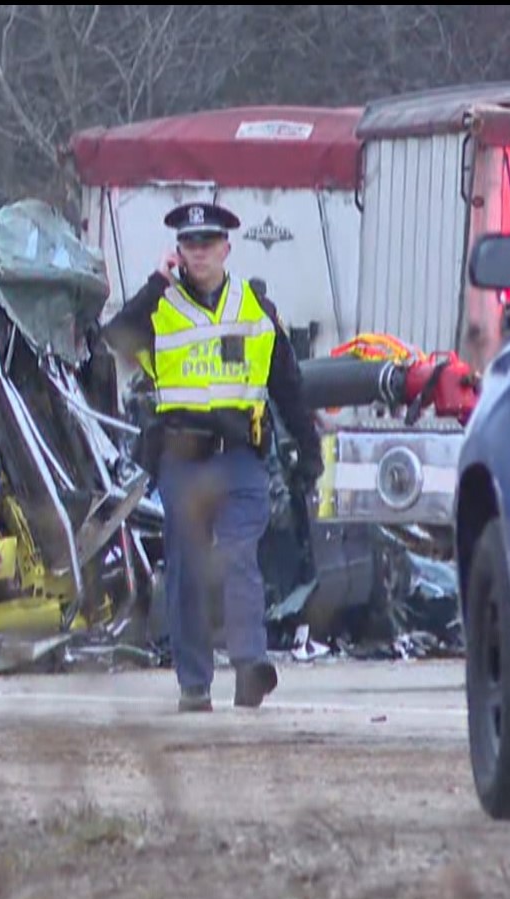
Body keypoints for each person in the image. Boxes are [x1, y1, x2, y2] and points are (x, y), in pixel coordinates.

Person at [102, 201, 323, 713]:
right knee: (189, 569)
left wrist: (308, 455)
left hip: (242, 456)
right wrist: (155, 284)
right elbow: (115, 340)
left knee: (241, 555)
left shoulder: (256, 310)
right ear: (177, 252)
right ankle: (195, 683)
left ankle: (250, 666)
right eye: (189, 244)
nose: (198, 253)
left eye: (207, 244)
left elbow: (288, 388)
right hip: (182, 458)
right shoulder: (160, 307)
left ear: (227, 248)